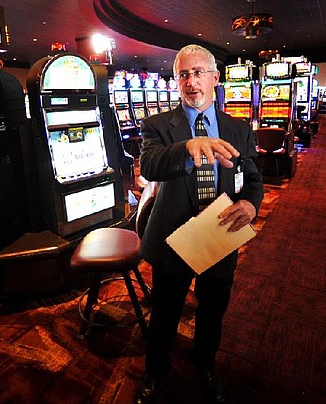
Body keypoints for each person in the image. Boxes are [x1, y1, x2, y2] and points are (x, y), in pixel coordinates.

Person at [134, 44, 263, 403]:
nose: (191, 83)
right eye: (183, 75)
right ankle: (155, 371)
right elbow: (150, 166)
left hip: (221, 233)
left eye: (198, 73)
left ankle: (205, 365)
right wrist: (189, 147)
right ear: (176, 81)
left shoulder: (238, 129)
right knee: (165, 314)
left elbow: (253, 178)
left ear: (215, 79)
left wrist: (251, 206)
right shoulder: (158, 125)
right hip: (174, 236)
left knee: (212, 312)